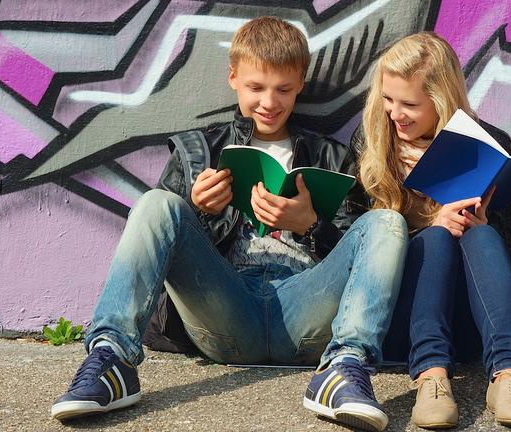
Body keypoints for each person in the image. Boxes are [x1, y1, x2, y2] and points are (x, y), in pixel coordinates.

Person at [50, 17, 407, 432]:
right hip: (226, 309)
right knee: (156, 204)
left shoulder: (333, 156)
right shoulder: (199, 151)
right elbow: (165, 247)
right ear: (233, 77)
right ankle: (111, 359)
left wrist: (310, 224)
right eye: (256, 87)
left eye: (284, 89)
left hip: (306, 311)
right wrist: (199, 209)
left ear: (301, 84)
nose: (269, 102)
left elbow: (360, 258)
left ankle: (346, 367)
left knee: (386, 222)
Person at [352, 32, 511, 429]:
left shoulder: (489, 144)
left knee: (481, 235)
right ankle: (431, 379)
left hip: (469, 329)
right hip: (400, 328)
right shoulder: (372, 144)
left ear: (441, 100)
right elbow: (354, 249)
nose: (395, 113)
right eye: (388, 99)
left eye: (410, 104)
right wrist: (426, 223)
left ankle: (509, 375)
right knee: (435, 237)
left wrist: (483, 222)